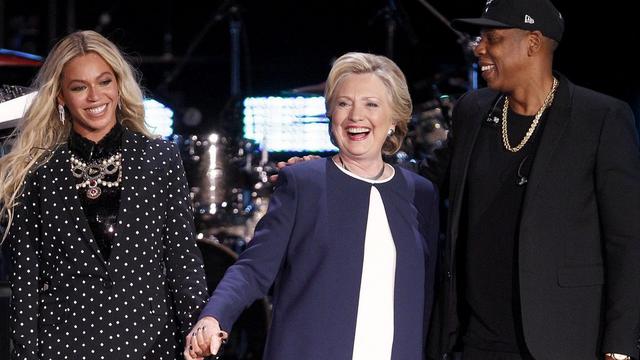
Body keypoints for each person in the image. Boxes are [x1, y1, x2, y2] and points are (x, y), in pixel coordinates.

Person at [183, 52, 439, 360]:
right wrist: (213, 318)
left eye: (371, 104)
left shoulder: (420, 193)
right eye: (344, 103)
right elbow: (253, 269)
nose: (356, 116)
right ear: (331, 115)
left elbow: (427, 294)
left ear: (395, 118)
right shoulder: (303, 183)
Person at [422, 0, 640, 359]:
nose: (479, 48)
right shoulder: (472, 110)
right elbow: (426, 181)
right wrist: (339, 170)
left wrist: (619, 347)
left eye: (492, 37)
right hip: (476, 341)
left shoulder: (600, 118)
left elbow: (627, 242)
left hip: (565, 341)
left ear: (533, 43)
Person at [0, 30, 209, 359]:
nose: (95, 97)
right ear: (60, 96)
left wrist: (198, 334)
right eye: (79, 87)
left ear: (118, 84)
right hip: (66, 346)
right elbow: (26, 281)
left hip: (151, 345)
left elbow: (183, 262)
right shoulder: (36, 171)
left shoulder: (160, 158)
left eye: (104, 82)